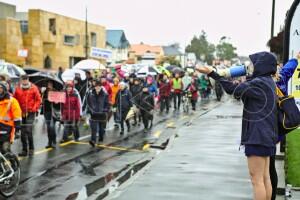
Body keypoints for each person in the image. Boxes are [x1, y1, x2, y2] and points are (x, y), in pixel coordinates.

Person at [196, 51, 278, 200]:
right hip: (267, 136)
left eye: (255, 63)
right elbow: (244, 91)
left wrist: (213, 73)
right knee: (265, 178)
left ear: (262, 65)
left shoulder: (258, 83)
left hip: (257, 136)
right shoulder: (268, 82)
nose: (252, 66)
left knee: (257, 180)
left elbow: (232, 89)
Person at [14, 74, 42, 157]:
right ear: (21, 80)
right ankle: (24, 150)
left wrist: (34, 108)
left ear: (28, 79)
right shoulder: (18, 88)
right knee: (22, 133)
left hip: (30, 112)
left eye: (26, 79)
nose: (25, 80)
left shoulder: (34, 88)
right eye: (23, 79)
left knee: (28, 130)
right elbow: (14, 100)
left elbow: (38, 100)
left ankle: (31, 148)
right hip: (21, 113)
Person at [0, 82, 22, 152]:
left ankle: (11, 161)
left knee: (5, 149)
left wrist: (17, 130)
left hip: (7, 128)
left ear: (4, 89)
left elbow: (17, 116)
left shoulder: (12, 101)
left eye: (0, 89)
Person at [87, 80, 110, 146]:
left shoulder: (105, 94)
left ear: (101, 87)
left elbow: (107, 104)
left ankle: (100, 138)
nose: (97, 88)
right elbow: (88, 103)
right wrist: (90, 110)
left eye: (99, 87)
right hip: (93, 114)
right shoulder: (91, 94)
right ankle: (93, 141)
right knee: (93, 128)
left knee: (101, 129)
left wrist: (104, 110)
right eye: (96, 87)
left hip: (102, 114)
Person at [41, 81, 60, 149]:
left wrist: (55, 100)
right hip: (46, 111)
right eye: (48, 84)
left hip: (53, 111)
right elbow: (42, 101)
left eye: (50, 84)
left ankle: (54, 141)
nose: (49, 85)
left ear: (52, 85)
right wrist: (43, 95)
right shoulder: (45, 91)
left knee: (52, 127)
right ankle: (49, 142)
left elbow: (58, 103)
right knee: (48, 127)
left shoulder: (55, 91)